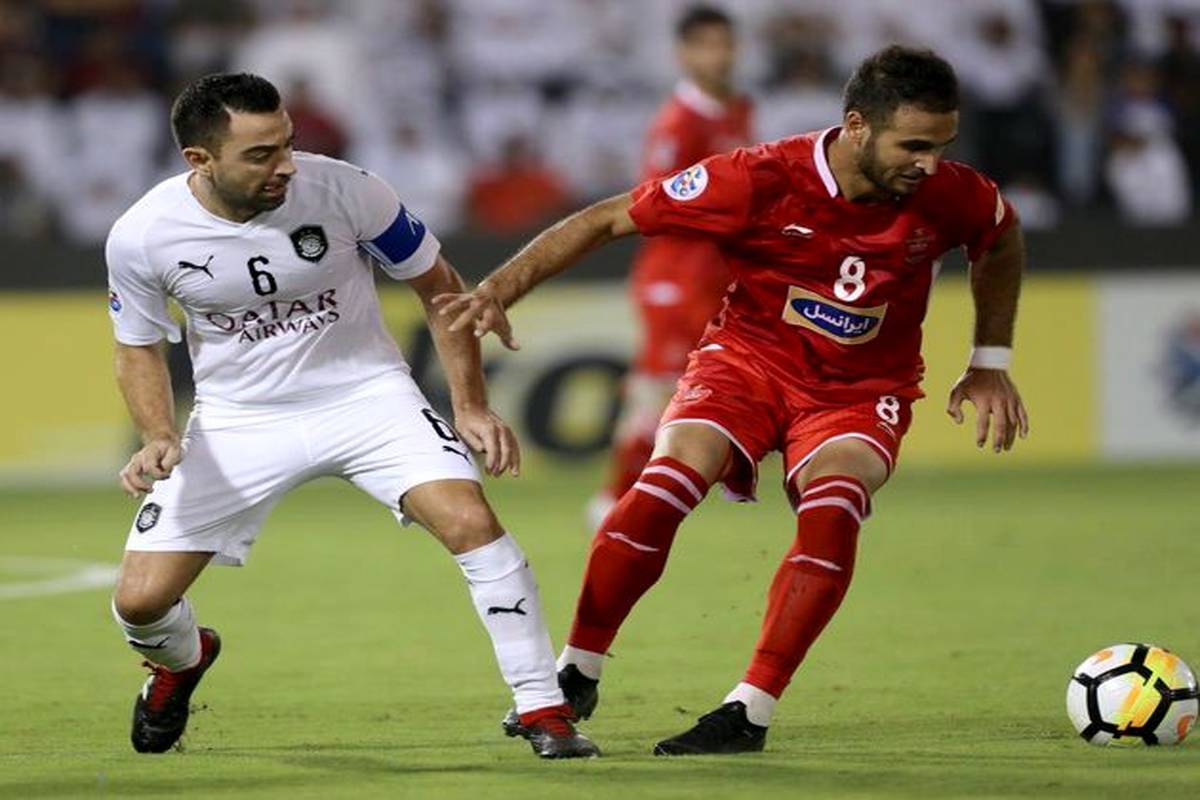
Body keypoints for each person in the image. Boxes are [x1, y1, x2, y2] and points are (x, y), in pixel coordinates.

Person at [435, 46, 1031, 756]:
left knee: (834, 511)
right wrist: (498, 290)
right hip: (747, 364)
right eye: (914, 146)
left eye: (941, 146)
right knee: (661, 487)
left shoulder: (955, 193)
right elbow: (608, 218)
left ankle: (749, 709)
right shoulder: (759, 177)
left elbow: (1000, 239)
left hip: (860, 391)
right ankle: (578, 669)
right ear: (857, 126)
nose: (930, 164)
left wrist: (989, 362)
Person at [105, 73, 598, 760]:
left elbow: (439, 288)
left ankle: (542, 705)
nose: (284, 165)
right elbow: (138, 347)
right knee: (139, 602)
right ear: (200, 160)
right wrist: (158, 435)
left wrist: (471, 405)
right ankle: (182, 663)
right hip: (239, 419)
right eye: (260, 155)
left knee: (471, 522)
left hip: (367, 397)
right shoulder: (142, 236)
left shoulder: (348, 190)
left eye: (287, 144)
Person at [588, 4, 754, 530]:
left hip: (717, 275)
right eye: (705, 45)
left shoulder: (737, 110)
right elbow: (655, 204)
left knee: (712, 383)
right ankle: (612, 500)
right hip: (674, 275)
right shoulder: (679, 123)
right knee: (658, 390)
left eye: (725, 43)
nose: (718, 55)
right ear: (682, 53)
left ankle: (704, 479)